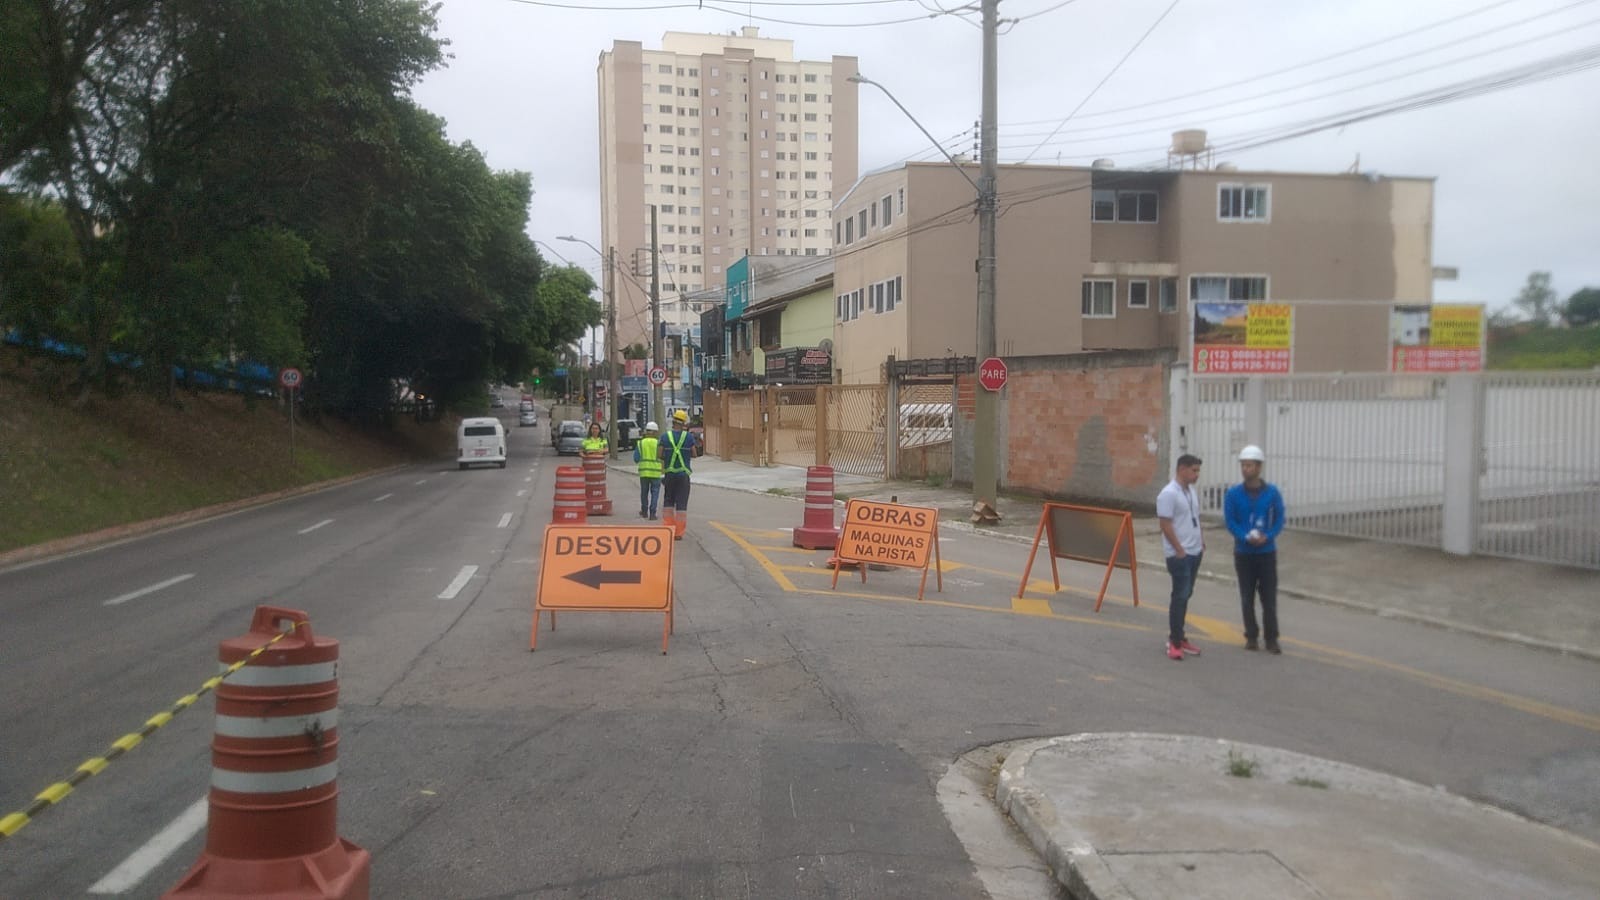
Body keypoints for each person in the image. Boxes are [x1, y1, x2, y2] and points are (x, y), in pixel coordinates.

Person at [1225, 445, 1286, 654]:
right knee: (1246, 596)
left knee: (1268, 598)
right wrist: (1244, 537)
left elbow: (1279, 519)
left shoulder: (1272, 493)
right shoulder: (1233, 494)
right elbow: (1230, 521)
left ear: (1259, 467)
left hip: (1266, 553)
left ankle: (1272, 638)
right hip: (1244, 553)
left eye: (1249, 465)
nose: (1245, 469)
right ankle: (1251, 635)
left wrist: (1267, 536)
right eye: (1243, 465)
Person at [1156, 454, 1205, 661]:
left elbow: (1194, 518)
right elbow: (1165, 524)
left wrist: (1201, 541)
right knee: (1180, 595)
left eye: (1197, 471)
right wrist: (1178, 549)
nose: (1197, 475)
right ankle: (1174, 641)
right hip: (1180, 554)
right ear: (1182, 469)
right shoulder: (1168, 494)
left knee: (1187, 594)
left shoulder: (1191, 491)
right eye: (1194, 470)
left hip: (1194, 551)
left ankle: (1180, 636)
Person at [659, 409, 699, 540]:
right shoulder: (688, 437)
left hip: (669, 474)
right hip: (683, 475)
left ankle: (668, 529)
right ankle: (678, 533)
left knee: (668, 501)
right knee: (681, 503)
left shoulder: (665, 437)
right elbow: (694, 454)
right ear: (683, 423)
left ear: (673, 421)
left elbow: (659, 455)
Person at [634, 421, 662, 520]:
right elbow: (663, 457)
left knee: (644, 492)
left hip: (644, 472)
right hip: (656, 472)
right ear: (655, 432)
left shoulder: (640, 443)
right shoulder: (659, 443)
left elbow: (636, 459)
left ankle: (644, 511)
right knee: (655, 493)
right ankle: (653, 513)